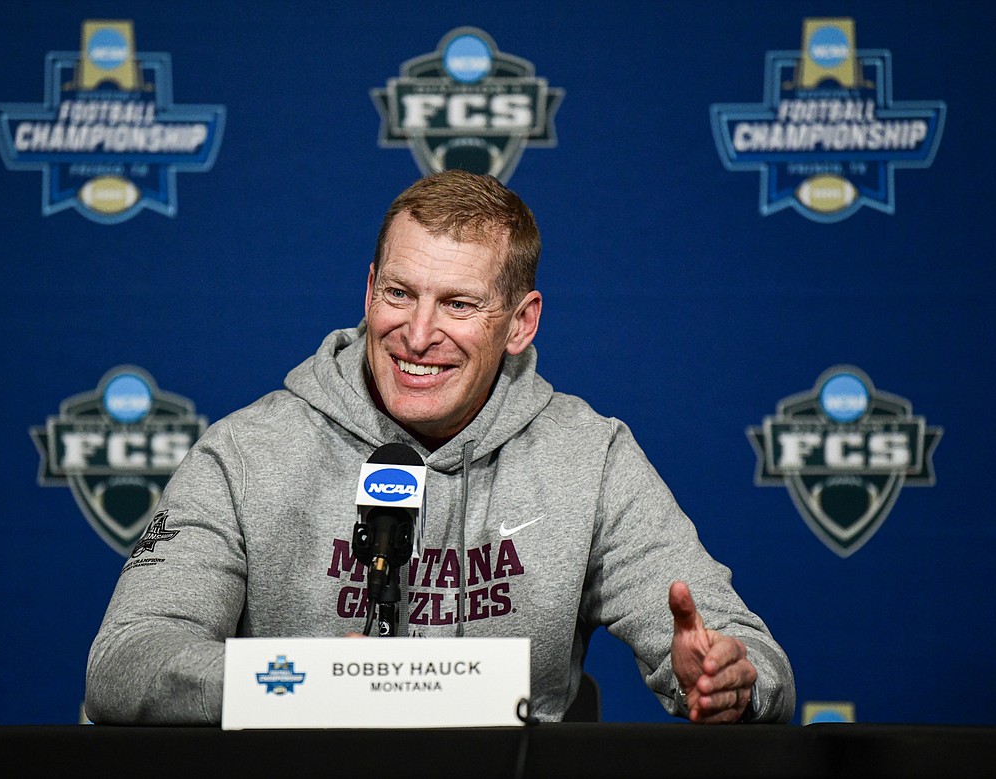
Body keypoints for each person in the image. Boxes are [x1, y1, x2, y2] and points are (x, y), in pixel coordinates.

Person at [85, 170, 795, 725]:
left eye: (458, 304)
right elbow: (126, 661)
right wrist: (305, 682)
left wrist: (730, 681)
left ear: (520, 323)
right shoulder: (247, 452)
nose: (418, 334)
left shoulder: (591, 457)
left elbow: (745, 653)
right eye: (399, 293)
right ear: (367, 290)